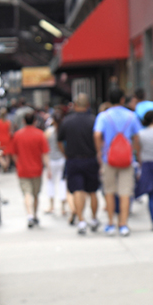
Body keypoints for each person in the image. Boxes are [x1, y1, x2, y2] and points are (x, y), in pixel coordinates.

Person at [94, 87, 141, 236]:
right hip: (127, 159)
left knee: (109, 191)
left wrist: (99, 151)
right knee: (125, 192)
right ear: (122, 100)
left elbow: (96, 134)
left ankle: (110, 223)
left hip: (109, 158)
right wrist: (137, 154)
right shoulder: (131, 116)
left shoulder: (103, 116)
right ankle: (123, 224)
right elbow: (137, 137)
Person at [57, 92, 100, 234]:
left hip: (73, 159)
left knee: (77, 190)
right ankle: (93, 218)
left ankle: (81, 220)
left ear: (75, 105)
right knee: (92, 191)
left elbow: (59, 141)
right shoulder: (94, 120)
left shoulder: (67, 121)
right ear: (88, 105)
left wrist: (65, 154)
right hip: (91, 158)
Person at [9, 107, 50, 228]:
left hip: (23, 169)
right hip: (37, 169)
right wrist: (48, 168)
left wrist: (18, 163)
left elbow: (13, 153)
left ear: (23, 121)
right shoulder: (40, 135)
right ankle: (35, 215)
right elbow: (45, 154)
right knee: (36, 194)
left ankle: (30, 215)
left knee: (27, 193)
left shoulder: (17, 135)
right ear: (35, 121)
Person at [44, 107, 67, 216]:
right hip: (62, 159)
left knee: (51, 183)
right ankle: (63, 207)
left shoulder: (49, 132)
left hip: (52, 160)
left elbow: (45, 148)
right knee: (62, 182)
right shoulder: (64, 130)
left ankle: (51, 205)